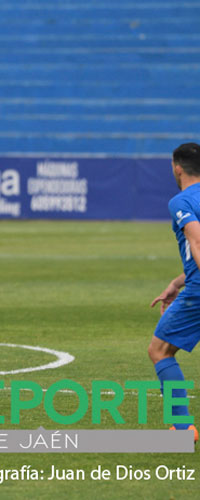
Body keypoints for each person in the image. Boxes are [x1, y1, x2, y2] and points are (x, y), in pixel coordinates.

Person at [148, 142, 200, 442]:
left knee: (159, 350)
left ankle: (182, 430)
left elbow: (197, 241)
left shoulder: (181, 202)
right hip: (191, 283)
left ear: (176, 167)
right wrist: (177, 282)